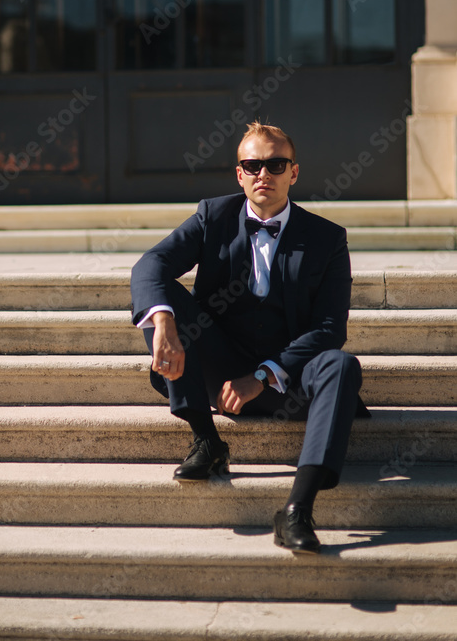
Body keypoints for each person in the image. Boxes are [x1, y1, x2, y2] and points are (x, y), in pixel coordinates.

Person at [130, 121, 368, 553]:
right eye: (253, 165)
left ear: (293, 173)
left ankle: (296, 510)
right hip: (217, 371)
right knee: (164, 297)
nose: (264, 174)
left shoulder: (327, 238)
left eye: (275, 164)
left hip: (288, 382)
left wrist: (261, 375)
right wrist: (163, 324)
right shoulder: (212, 216)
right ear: (239, 174)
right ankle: (207, 439)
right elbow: (151, 265)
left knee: (341, 364)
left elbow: (330, 329)